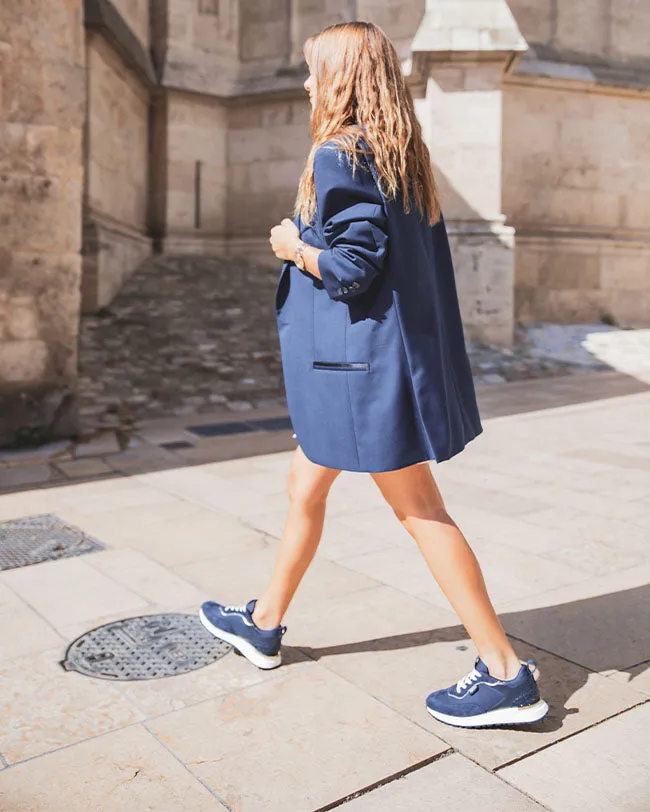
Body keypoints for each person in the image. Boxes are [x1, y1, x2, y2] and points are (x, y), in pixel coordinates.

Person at [199, 20, 549, 729]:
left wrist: (293, 245)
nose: (302, 84)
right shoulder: (400, 154)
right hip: (360, 368)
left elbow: (353, 270)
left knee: (420, 510)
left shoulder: (340, 153)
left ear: (339, 79)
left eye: (310, 71)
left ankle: (507, 672)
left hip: (358, 373)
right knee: (305, 485)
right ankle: (264, 623)